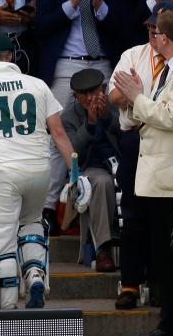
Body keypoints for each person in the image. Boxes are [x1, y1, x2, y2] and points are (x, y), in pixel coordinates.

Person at [0, 31, 75, 310]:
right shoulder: (39, 85)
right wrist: (75, 173)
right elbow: (58, 133)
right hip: (39, 169)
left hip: (3, 172)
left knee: (2, 241)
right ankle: (34, 275)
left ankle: (8, 305)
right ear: (12, 56)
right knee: (32, 224)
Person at [113, 9, 173, 336]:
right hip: (157, 179)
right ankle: (169, 323)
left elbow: (171, 117)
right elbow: (147, 115)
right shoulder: (170, 67)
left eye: (155, 33)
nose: (152, 38)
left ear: (163, 37)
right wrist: (136, 102)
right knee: (164, 261)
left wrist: (135, 97)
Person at [37, 0, 126, 231]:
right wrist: (71, 5)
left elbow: (123, 26)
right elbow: (41, 24)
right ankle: (49, 207)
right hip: (67, 63)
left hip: (102, 63)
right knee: (58, 133)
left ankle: (114, 202)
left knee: (113, 126)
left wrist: (100, 7)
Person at [107, 0, 173, 310]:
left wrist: (137, 96)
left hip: (168, 142)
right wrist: (134, 94)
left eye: (159, 28)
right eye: (151, 27)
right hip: (135, 139)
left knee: (165, 217)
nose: (154, 33)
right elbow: (112, 96)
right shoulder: (133, 55)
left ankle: (162, 283)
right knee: (134, 216)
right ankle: (130, 284)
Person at [61, 68, 120, 273]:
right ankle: (103, 249)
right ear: (76, 96)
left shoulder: (115, 105)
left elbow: (127, 136)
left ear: (102, 89)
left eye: (93, 92)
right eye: (82, 94)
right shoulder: (69, 116)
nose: (88, 98)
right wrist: (90, 124)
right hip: (90, 168)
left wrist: (106, 118)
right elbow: (72, 151)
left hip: (120, 163)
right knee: (101, 182)